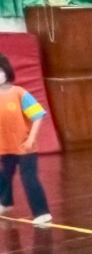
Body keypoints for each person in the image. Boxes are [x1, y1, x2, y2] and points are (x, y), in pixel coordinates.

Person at [0, 53, 52, 225]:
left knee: (29, 178)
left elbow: (38, 116)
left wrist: (30, 139)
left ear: (6, 71)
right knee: (5, 175)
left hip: (24, 147)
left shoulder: (19, 93)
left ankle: (42, 212)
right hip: (4, 148)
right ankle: (5, 202)